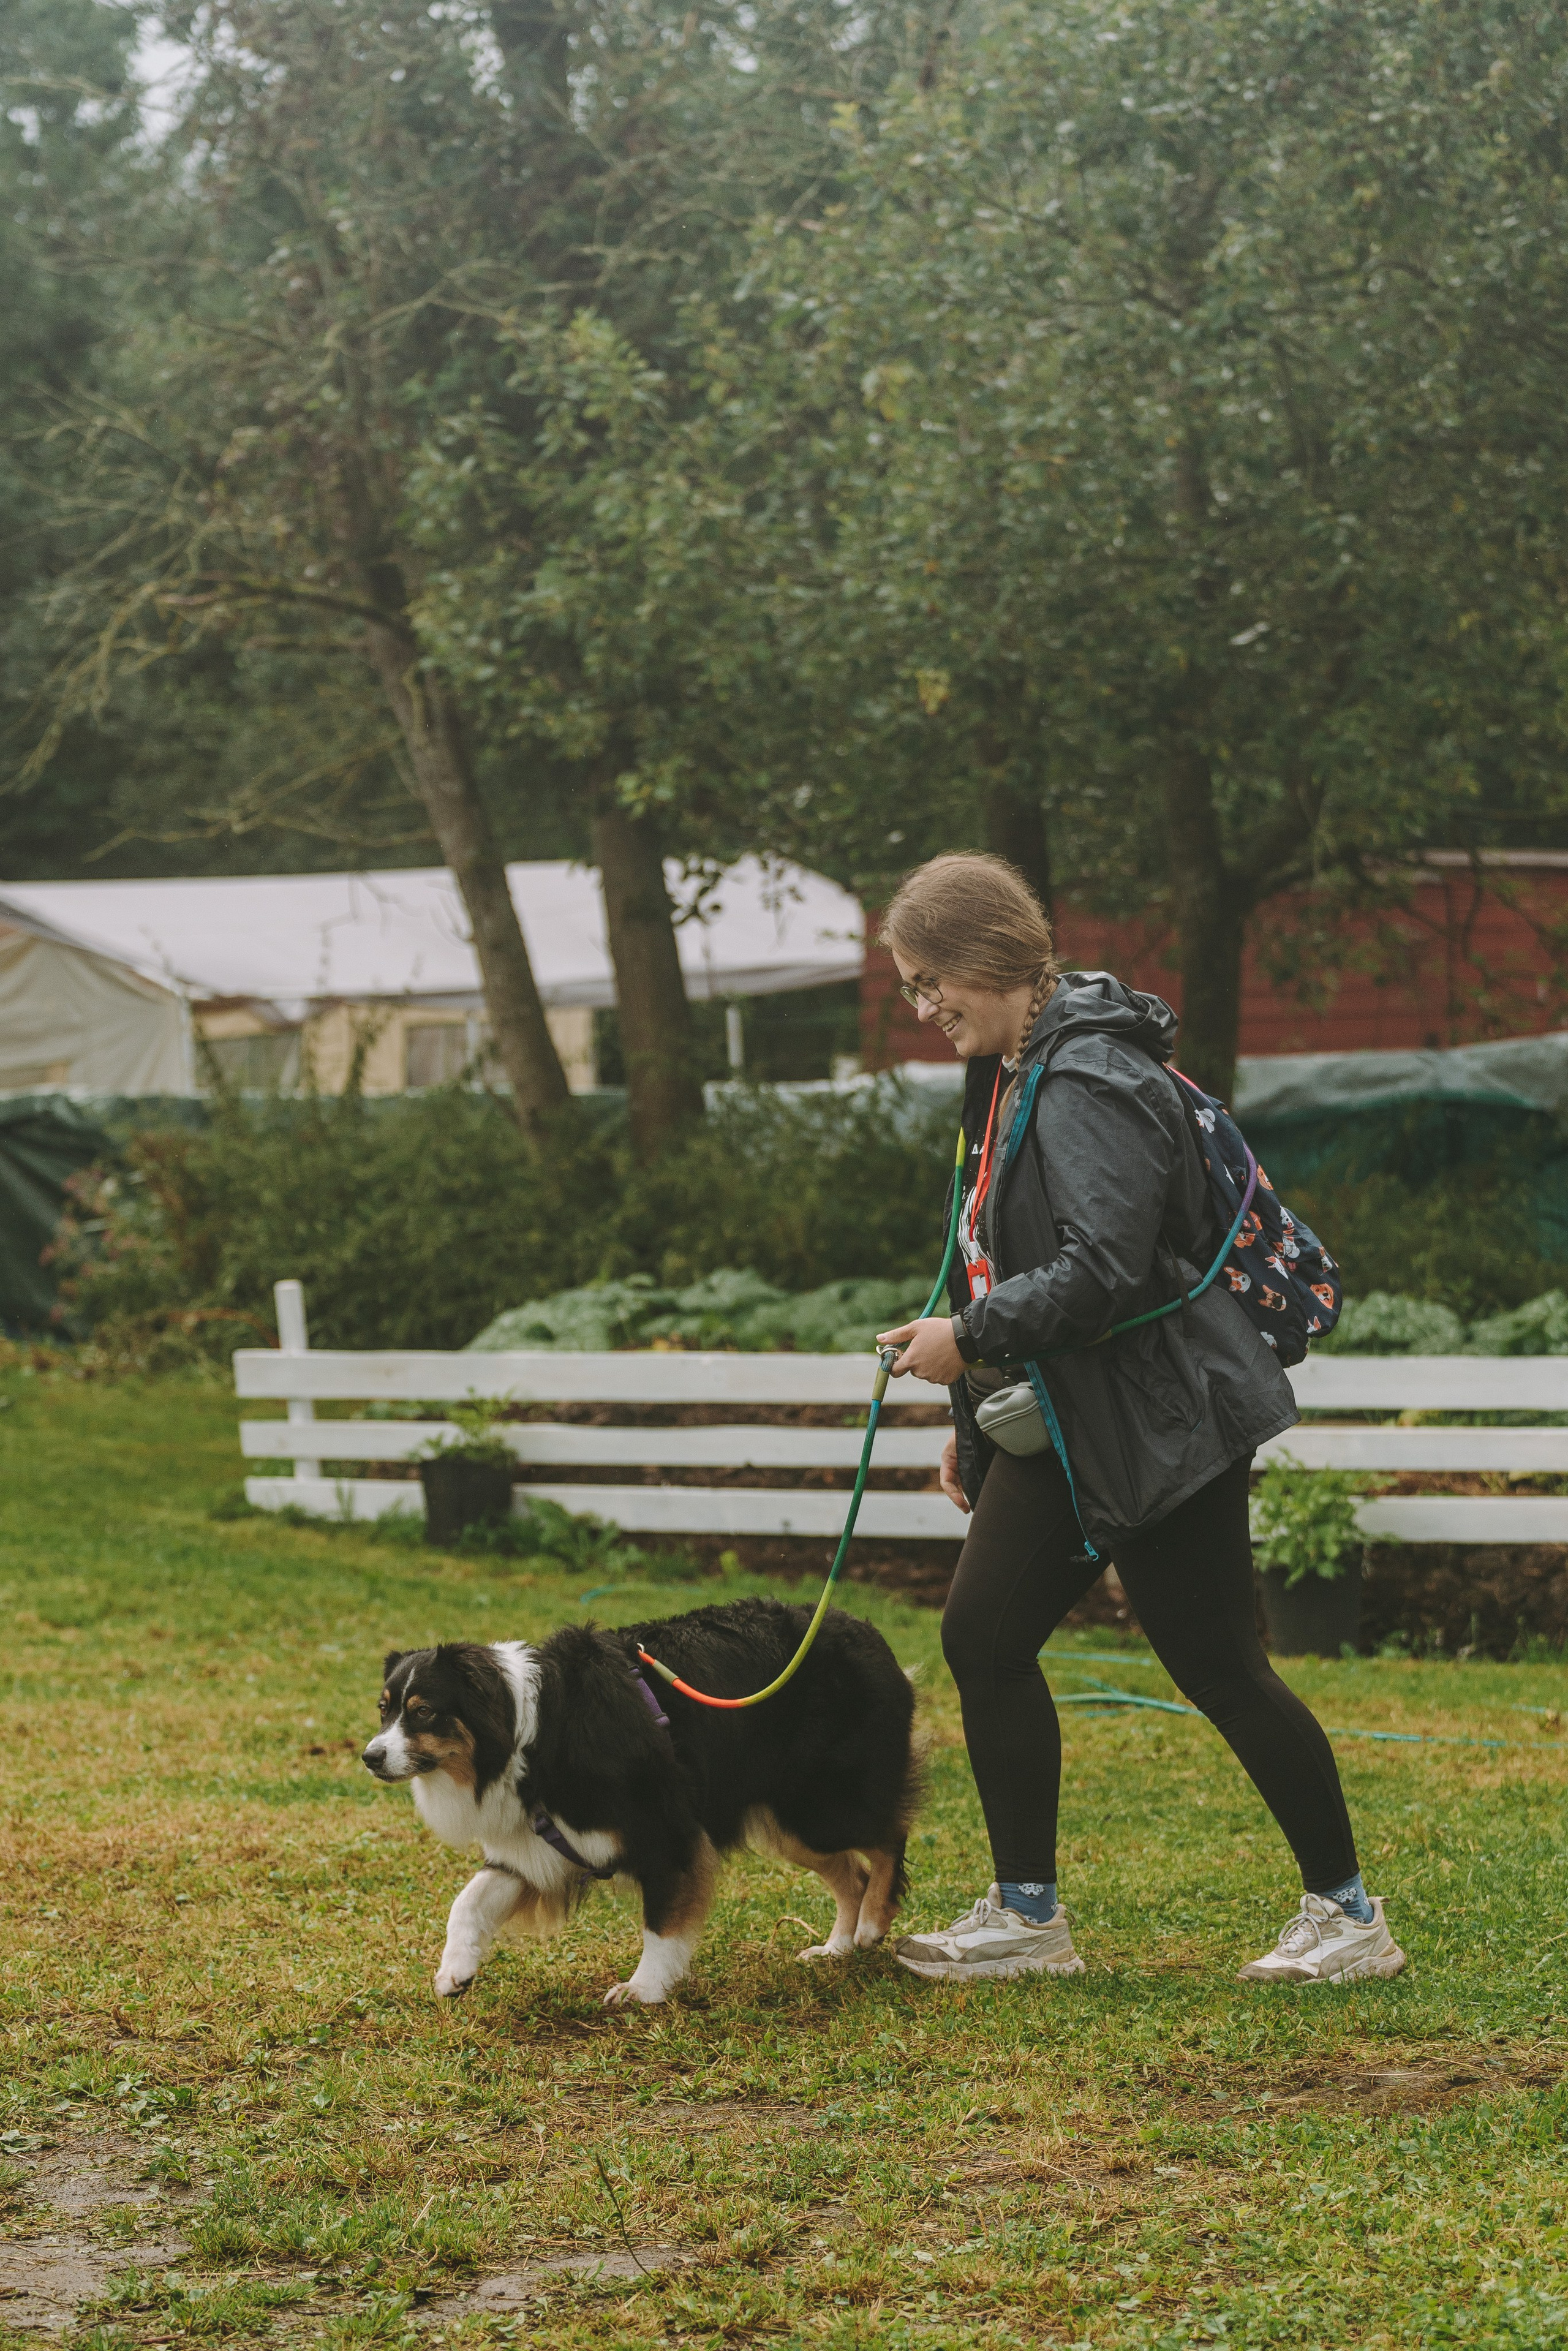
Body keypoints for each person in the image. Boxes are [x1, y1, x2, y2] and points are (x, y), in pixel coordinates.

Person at [873, 853, 1404, 1987]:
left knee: (1217, 1664)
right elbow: (991, 1258)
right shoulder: (1012, 1068)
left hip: (1160, 1417)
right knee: (984, 1636)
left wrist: (965, 1343)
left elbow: (1104, 1268)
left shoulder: (1087, 1077)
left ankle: (1350, 1914)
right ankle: (1027, 1917)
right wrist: (974, 1428)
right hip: (1069, 1419)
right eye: (912, 988)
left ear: (986, 957)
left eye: (931, 983)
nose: (924, 1009)